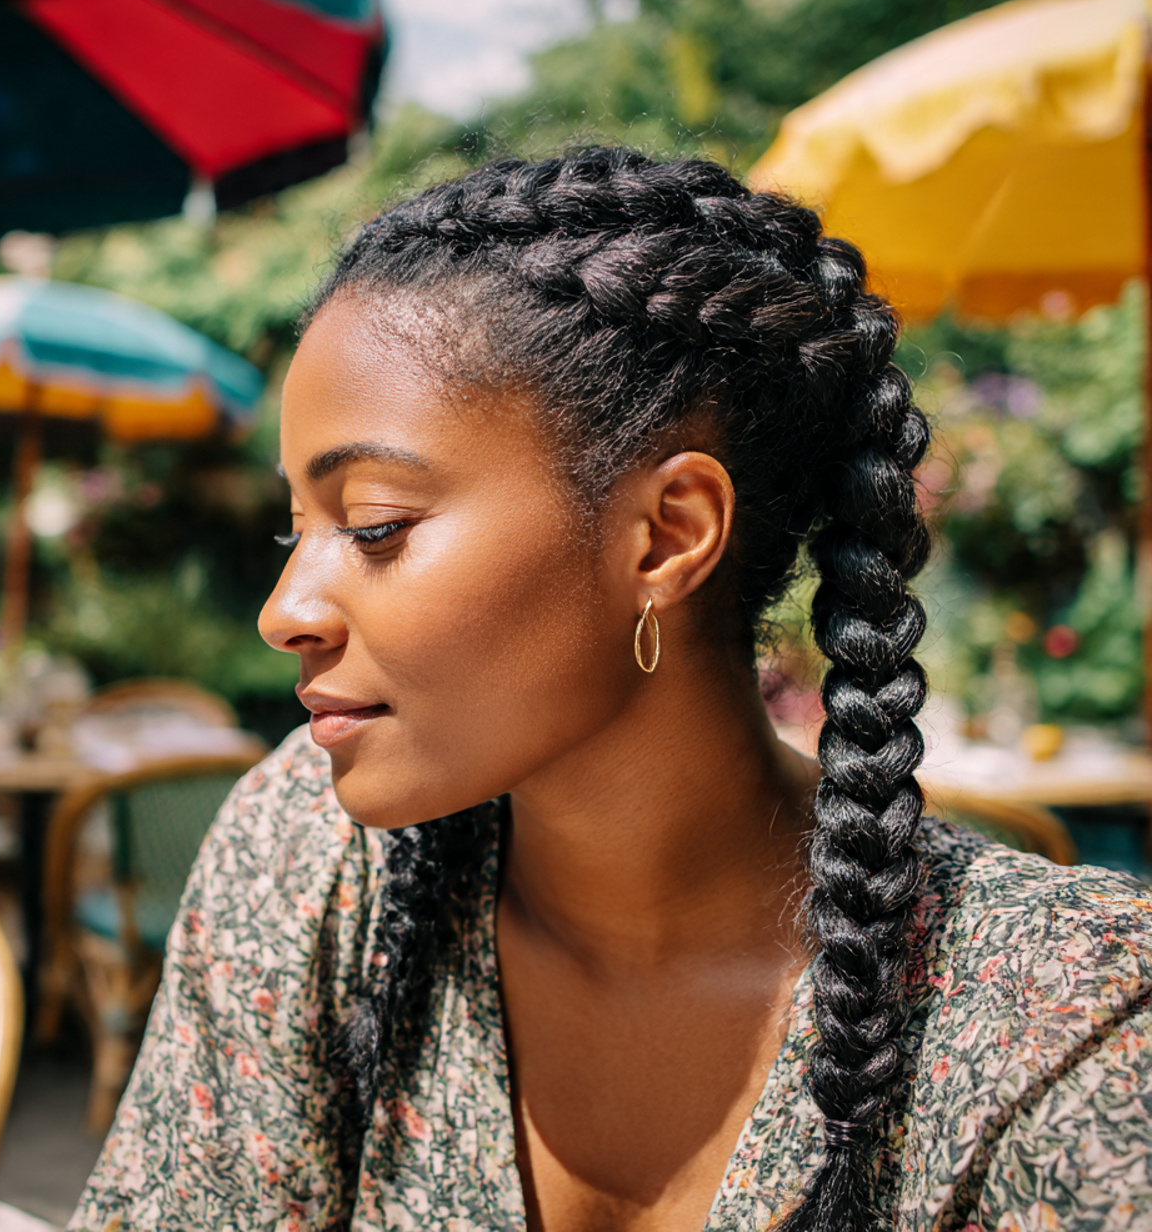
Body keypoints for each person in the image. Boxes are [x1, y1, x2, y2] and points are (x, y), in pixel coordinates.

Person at [70, 150, 1152, 1232]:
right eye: (293, 526)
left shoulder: (1062, 1028)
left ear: (665, 536)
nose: (283, 609)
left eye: (375, 524)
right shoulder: (312, 865)